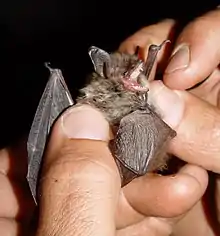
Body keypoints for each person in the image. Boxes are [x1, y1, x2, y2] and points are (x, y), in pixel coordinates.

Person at [0, 7, 220, 236]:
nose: (133, 79)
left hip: (129, 143)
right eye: (128, 77)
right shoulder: (110, 97)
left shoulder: (142, 106)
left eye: (136, 74)